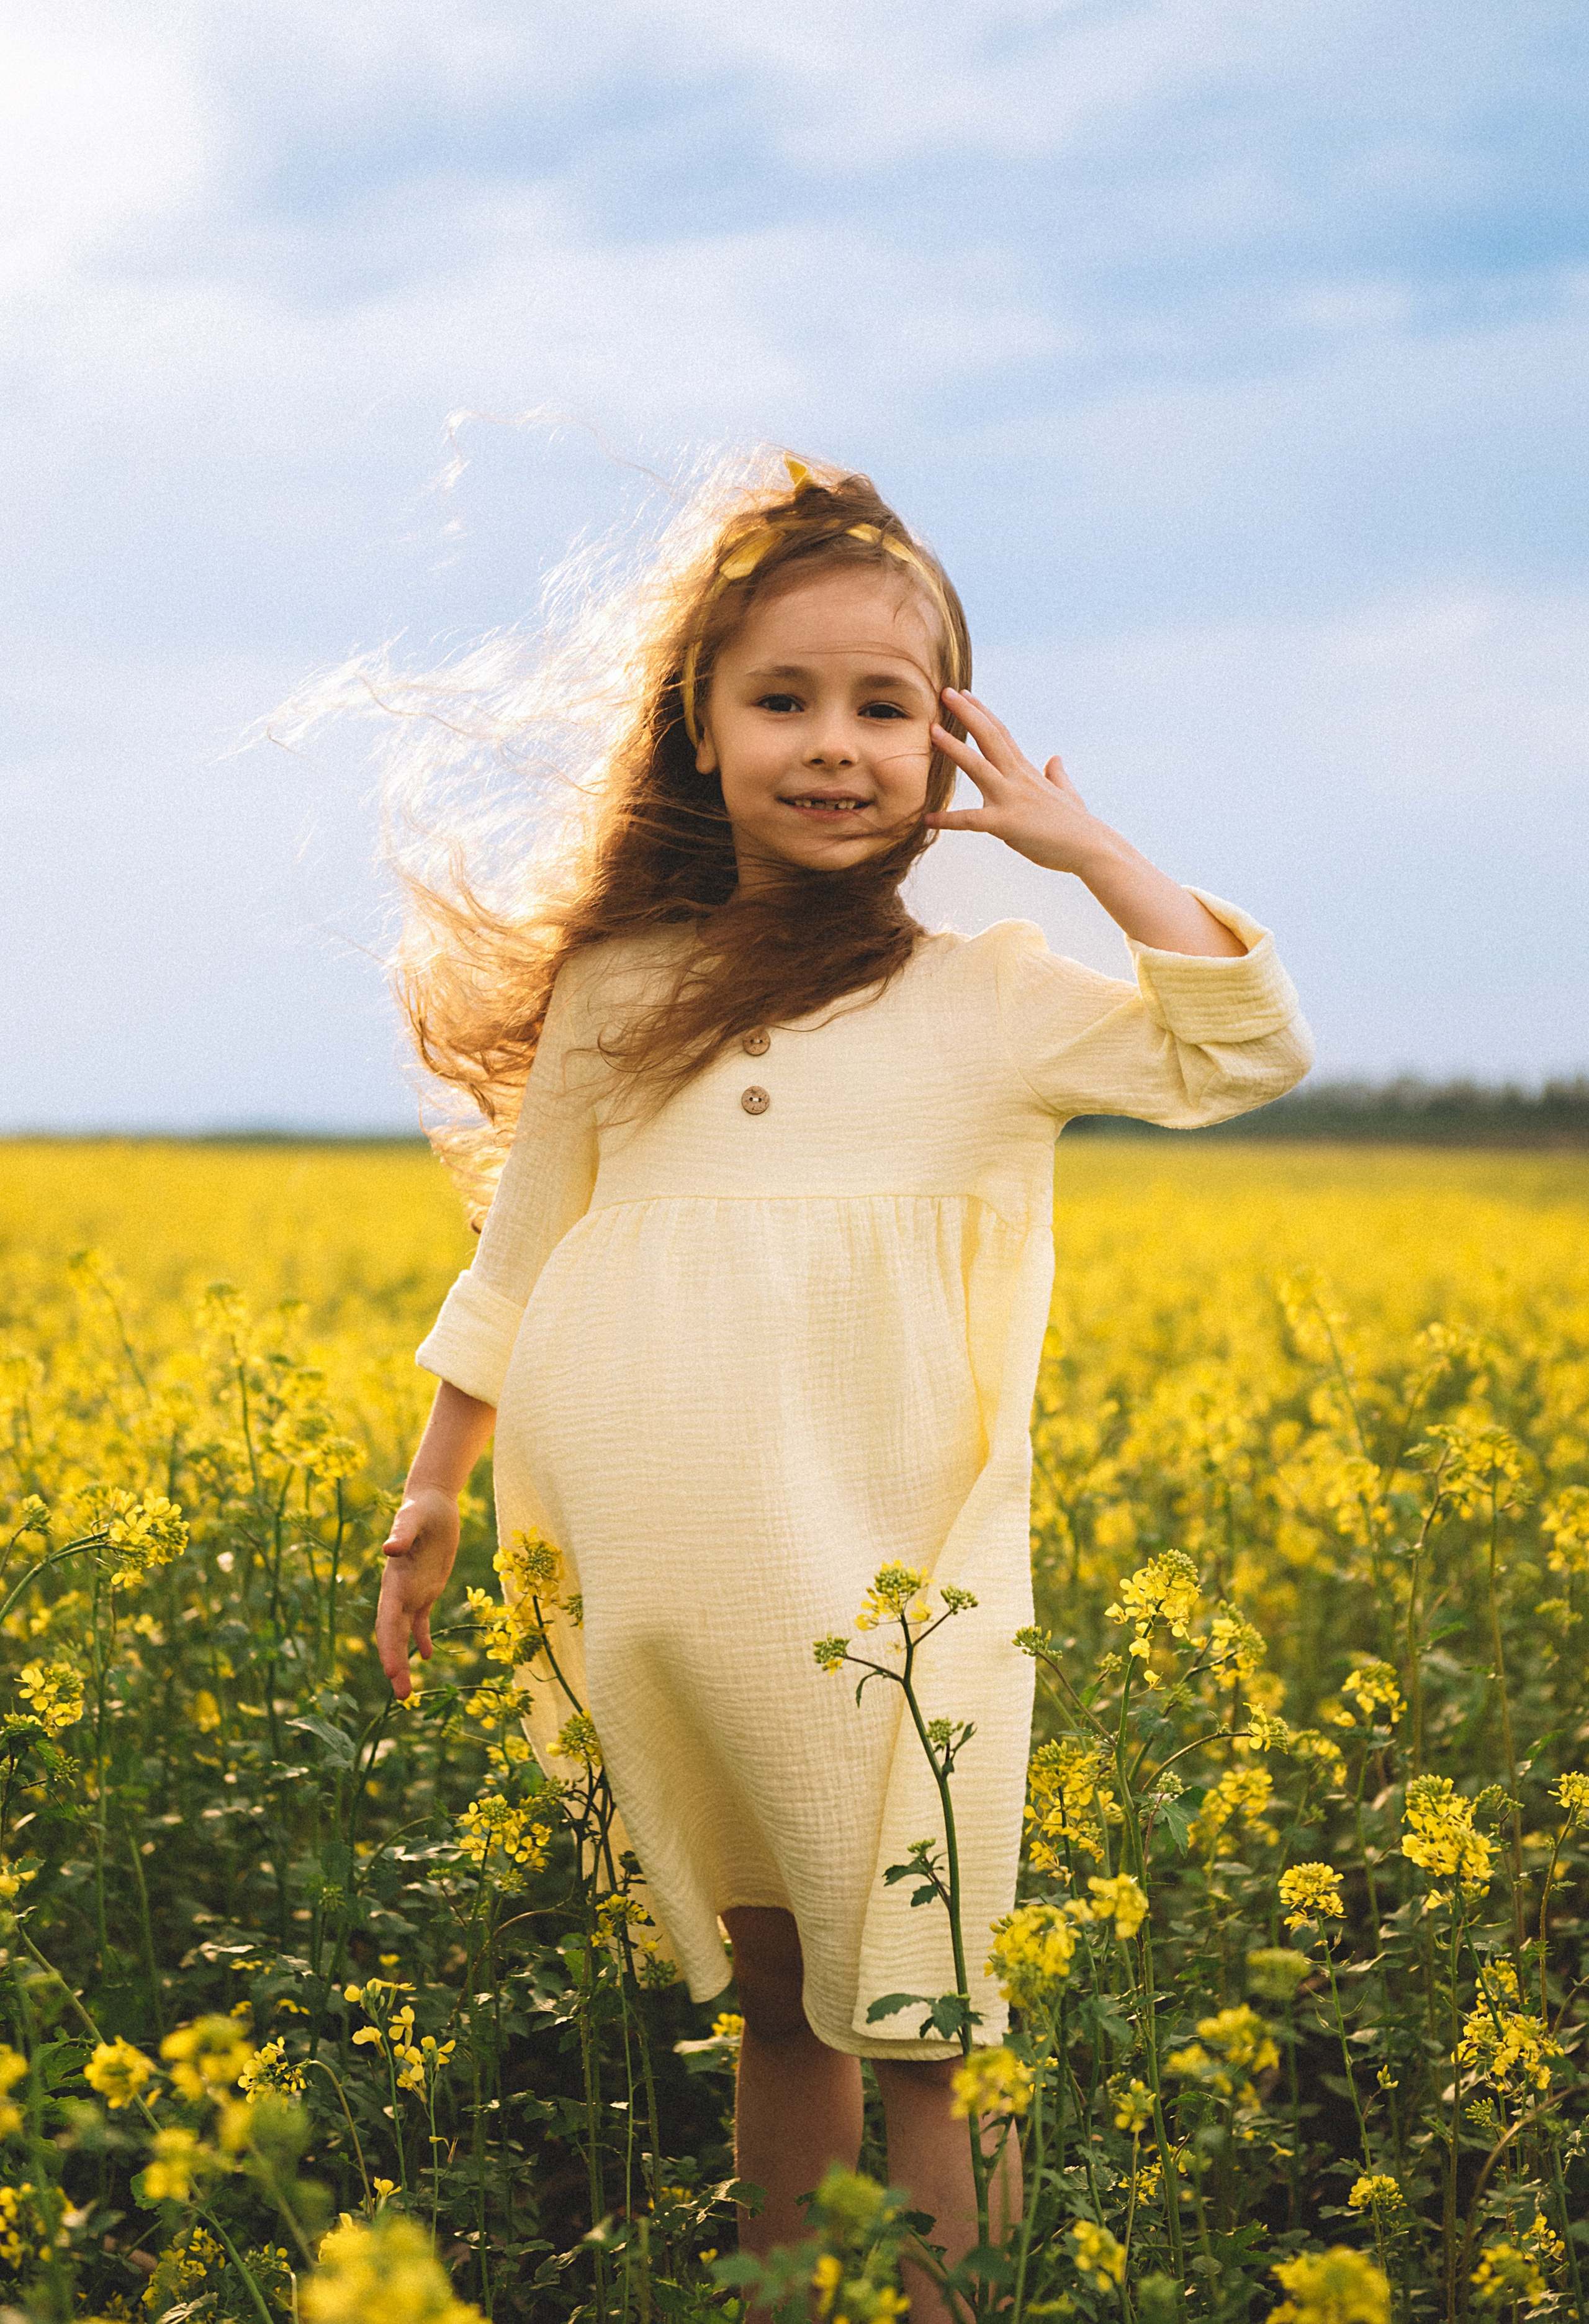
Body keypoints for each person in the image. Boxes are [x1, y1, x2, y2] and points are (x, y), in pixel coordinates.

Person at [372, 453, 1312, 2311]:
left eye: (888, 708)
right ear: (698, 733)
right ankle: (782, 2297)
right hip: (675, 1573)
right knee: (779, 1991)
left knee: (929, 2001)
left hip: (893, 1569)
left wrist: (1086, 847)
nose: (834, 745)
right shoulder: (623, 990)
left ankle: (962, 2305)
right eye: (782, 700)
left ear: (953, 746)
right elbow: (520, 1255)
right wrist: (430, 1490)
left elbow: (1246, 1046)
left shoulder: (997, 994)